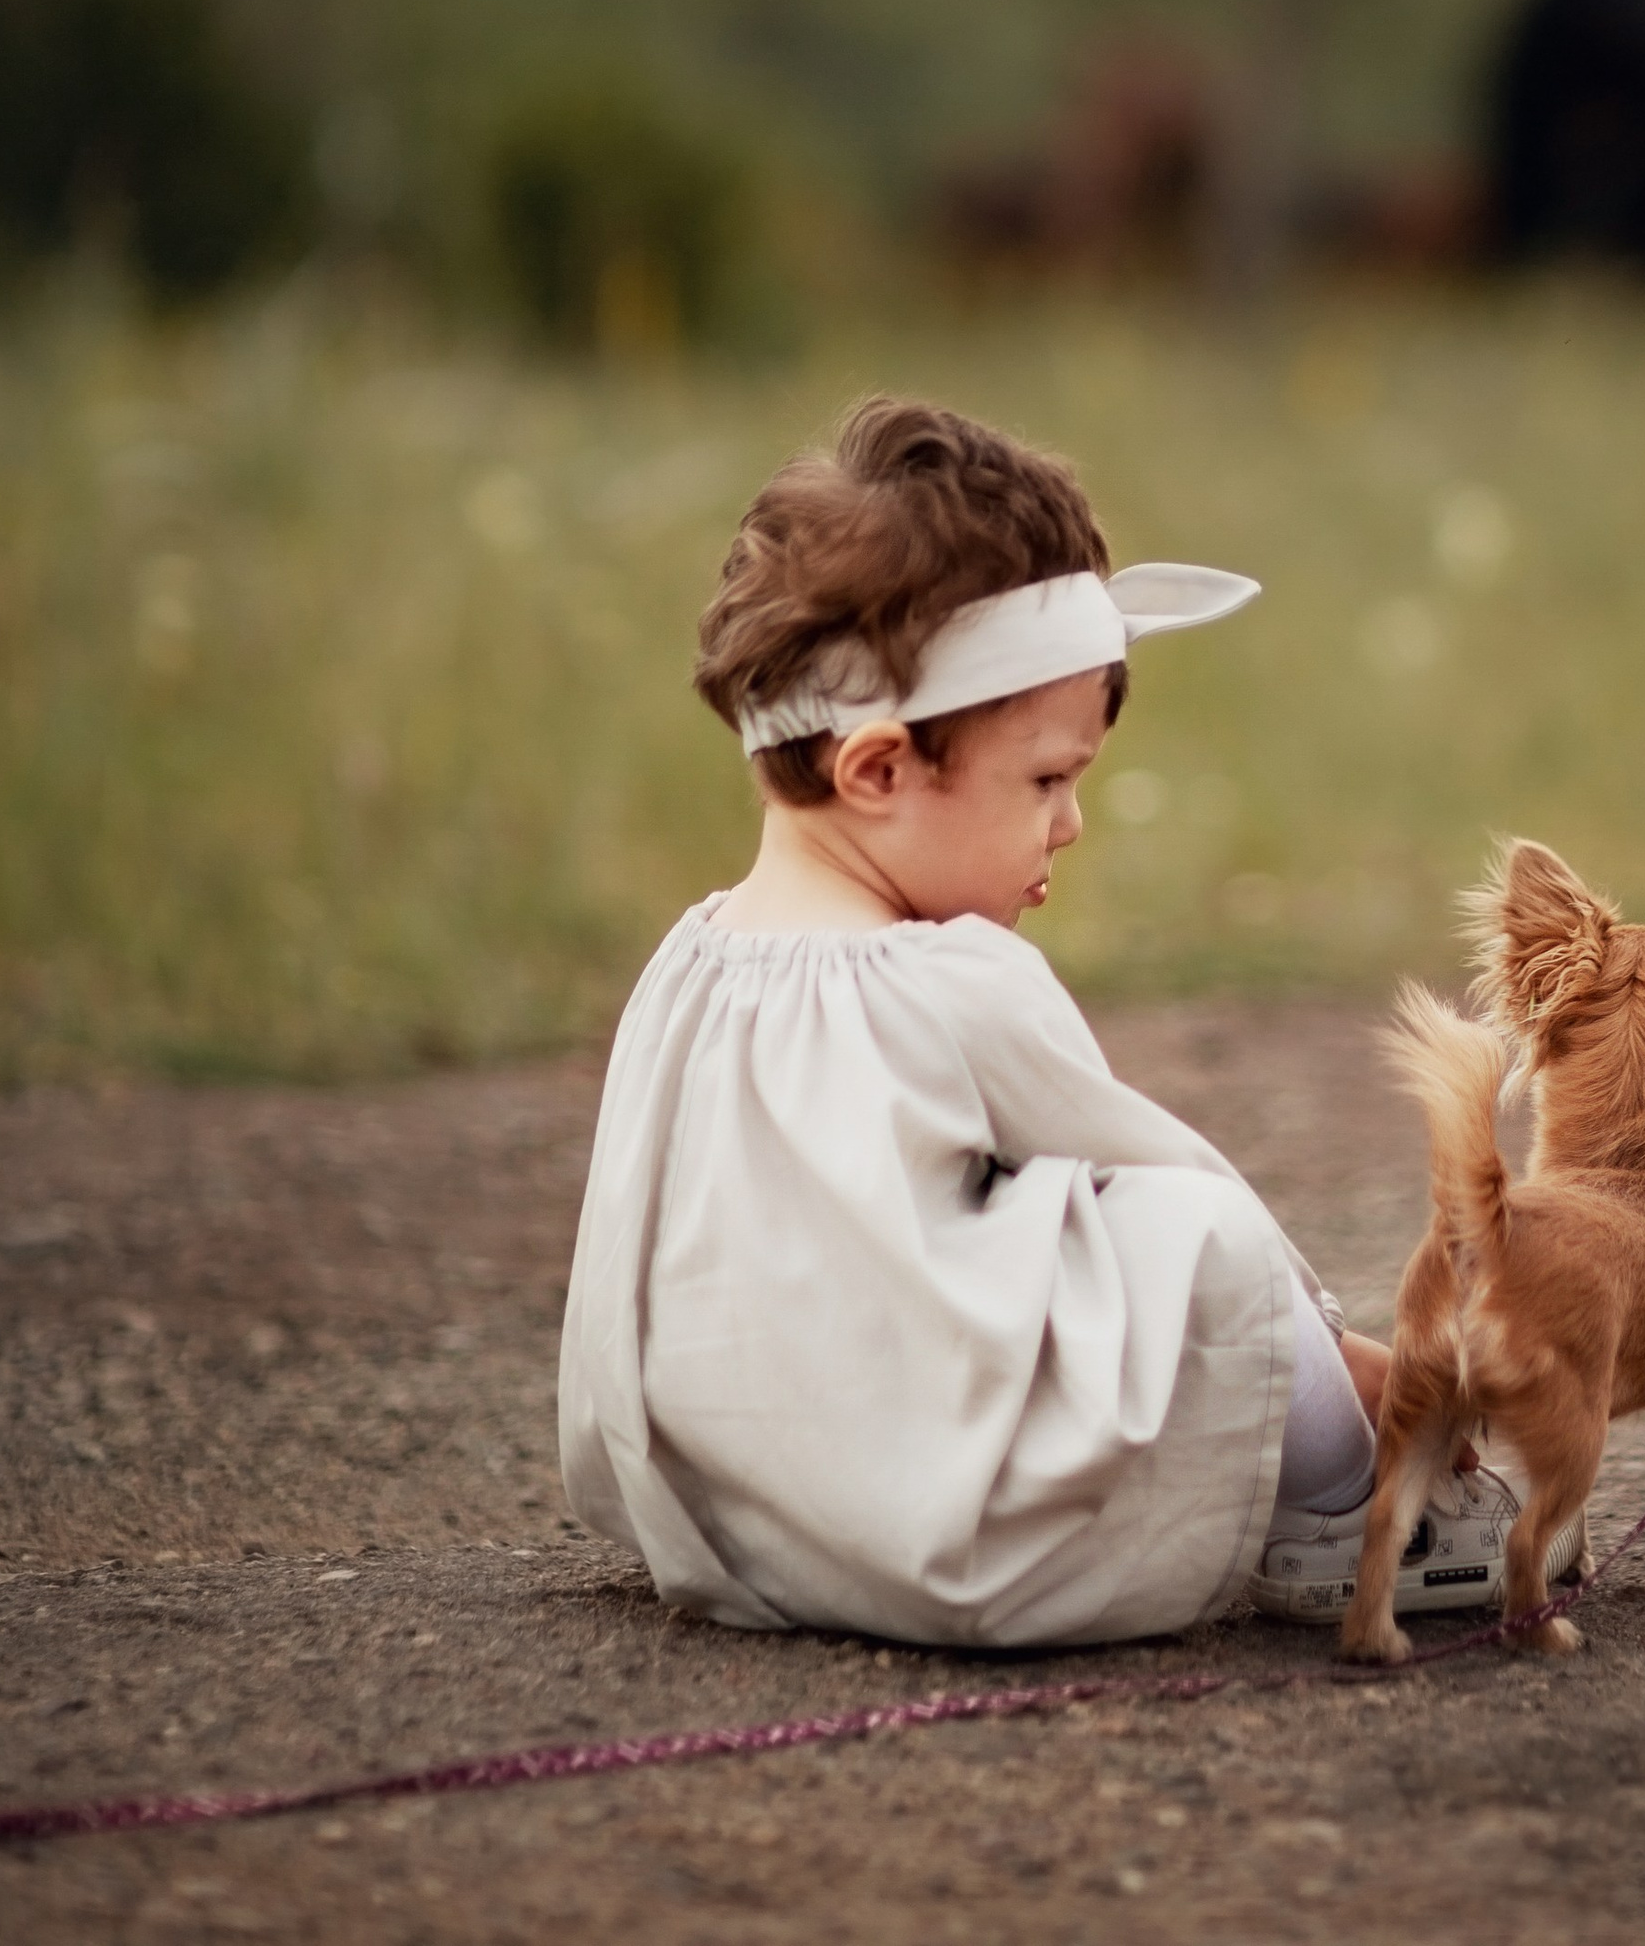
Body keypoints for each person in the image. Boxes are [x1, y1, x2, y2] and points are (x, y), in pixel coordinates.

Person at [558, 393, 1538, 1647]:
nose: (1069, 825)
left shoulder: (688, 964)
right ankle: (1358, 1504)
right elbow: (1162, 1173)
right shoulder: (950, 977)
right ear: (877, 767)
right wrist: (1336, 1351)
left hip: (723, 1526)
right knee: (1201, 1235)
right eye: (1046, 779)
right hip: (948, 1544)